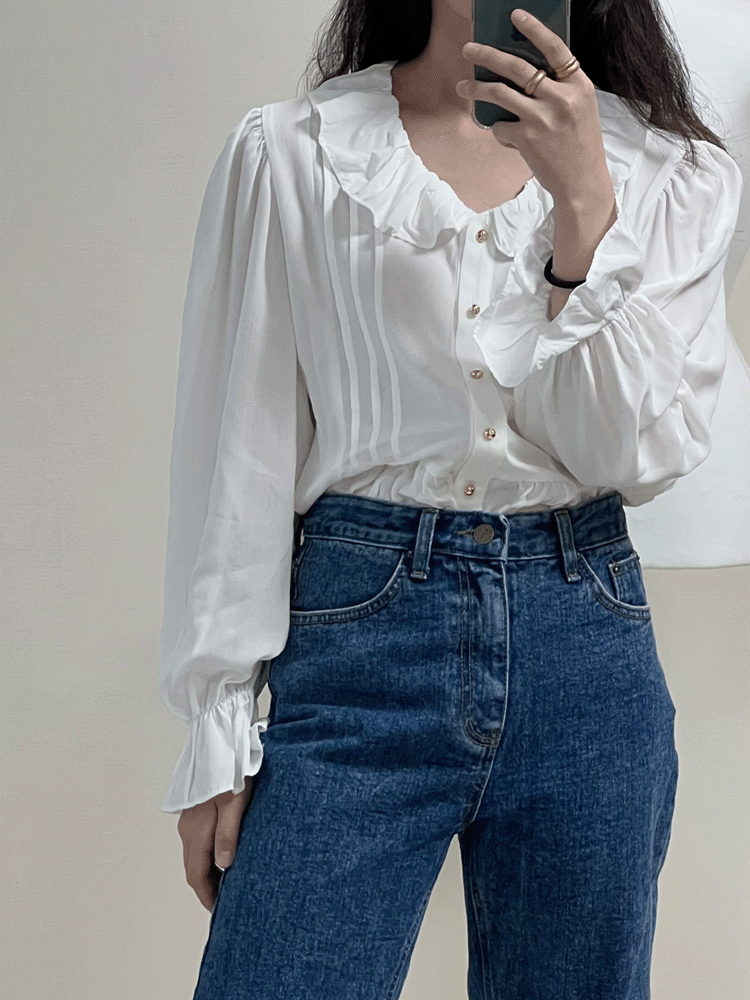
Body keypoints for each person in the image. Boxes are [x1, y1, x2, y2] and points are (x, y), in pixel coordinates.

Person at [159, 0, 743, 996]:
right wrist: (216, 725)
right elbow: (239, 453)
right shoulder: (293, 153)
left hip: (585, 652)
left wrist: (583, 204)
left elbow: (630, 456)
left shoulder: (673, 174)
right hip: (355, 645)